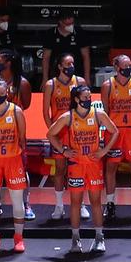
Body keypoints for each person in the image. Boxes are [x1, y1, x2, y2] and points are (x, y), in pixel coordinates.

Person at [51, 82, 116, 253]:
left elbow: (114, 131)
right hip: (76, 165)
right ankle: (75, 239)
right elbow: (50, 134)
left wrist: (104, 151)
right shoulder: (68, 117)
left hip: (94, 164)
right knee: (75, 203)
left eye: (90, 97)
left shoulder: (98, 114)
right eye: (85, 97)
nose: (89, 100)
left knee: (96, 202)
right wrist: (63, 150)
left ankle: (99, 238)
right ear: (76, 99)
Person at [42, 54, 84, 220]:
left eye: (73, 62)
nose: (71, 65)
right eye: (68, 63)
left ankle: (81, 205)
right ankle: (59, 206)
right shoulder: (51, 84)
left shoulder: (79, 82)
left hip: (77, 132)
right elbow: (46, 113)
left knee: (80, 169)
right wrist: (53, 133)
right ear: (60, 66)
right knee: (60, 170)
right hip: (59, 133)